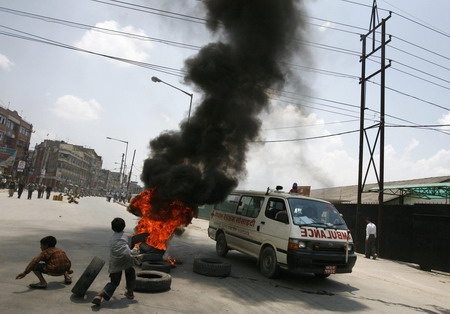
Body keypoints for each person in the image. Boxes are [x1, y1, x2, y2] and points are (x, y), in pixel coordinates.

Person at [92, 217, 136, 306]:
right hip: (127, 258)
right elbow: (131, 247)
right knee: (130, 272)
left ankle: (100, 294)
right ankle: (130, 293)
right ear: (124, 226)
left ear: (112, 228)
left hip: (115, 261)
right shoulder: (128, 236)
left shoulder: (112, 239)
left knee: (114, 282)